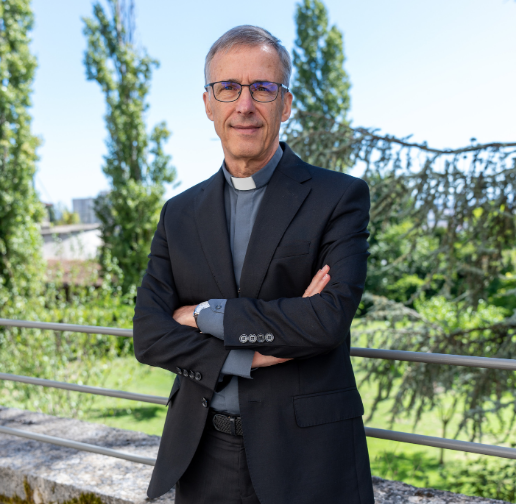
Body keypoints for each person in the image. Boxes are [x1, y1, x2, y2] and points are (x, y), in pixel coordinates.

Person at [133, 25, 374, 504]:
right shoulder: (178, 213)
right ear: (208, 104)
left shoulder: (339, 197)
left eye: (263, 87)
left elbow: (326, 320)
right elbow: (149, 334)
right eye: (228, 87)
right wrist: (253, 355)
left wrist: (205, 315)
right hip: (202, 454)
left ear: (285, 104)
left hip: (308, 457)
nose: (244, 105)